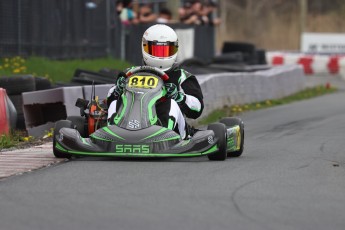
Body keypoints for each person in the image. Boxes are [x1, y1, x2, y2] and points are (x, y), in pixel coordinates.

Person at [107, 24, 204, 139]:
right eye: (156, 50)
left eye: (166, 50)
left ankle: (165, 137)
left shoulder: (182, 76)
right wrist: (116, 91)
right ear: (145, 48)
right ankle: (112, 135)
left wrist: (178, 97)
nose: (161, 56)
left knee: (170, 103)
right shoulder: (129, 73)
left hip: (171, 130)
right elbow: (109, 102)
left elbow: (197, 108)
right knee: (115, 103)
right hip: (131, 122)